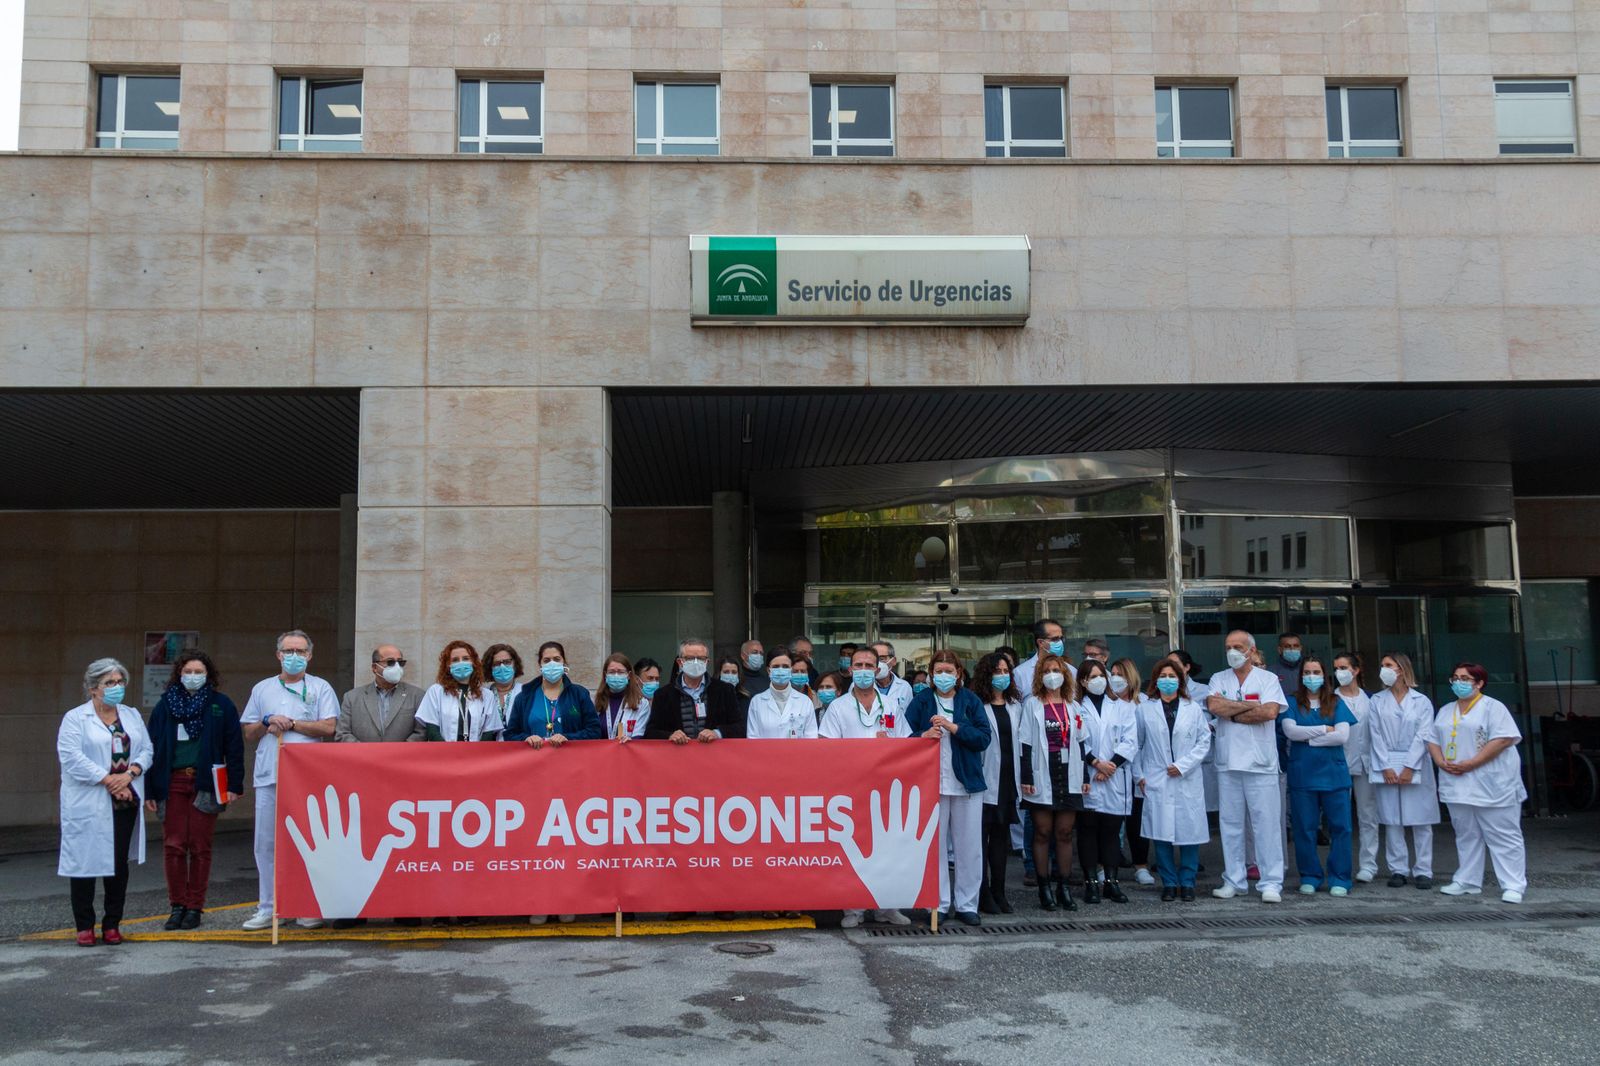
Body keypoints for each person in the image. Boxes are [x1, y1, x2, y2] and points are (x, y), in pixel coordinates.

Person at [240, 630, 338, 931]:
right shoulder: (263, 689)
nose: (294, 656)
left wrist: (294, 724)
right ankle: (269, 907)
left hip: (307, 777)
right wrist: (268, 721)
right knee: (267, 843)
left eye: (300, 651)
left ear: (309, 655)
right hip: (270, 774)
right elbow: (249, 731)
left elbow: (329, 727)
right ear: (278, 654)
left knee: (307, 842)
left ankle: (305, 905)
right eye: (288, 651)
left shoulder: (320, 688)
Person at [144, 649, 243, 930]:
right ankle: (177, 905)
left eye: (199, 672)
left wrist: (234, 785)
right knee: (174, 845)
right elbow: (150, 747)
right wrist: (150, 790)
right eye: (188, 672)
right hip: (171, 781)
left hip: (205, 782)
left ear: (208, 675)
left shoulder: (220, 705)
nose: (193, 676)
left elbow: (233, 746)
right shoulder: (165, 706)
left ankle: (195, 907)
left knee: (200, 846)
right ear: (179, 674)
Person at [58, 658, 152, 947]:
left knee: (117, 864)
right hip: (90, 800)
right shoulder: (75, 718)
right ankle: (84, 926)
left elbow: (147, 749)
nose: (116, 688)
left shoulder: (131, 715)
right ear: (92, 688)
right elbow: (72, 758)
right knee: (84, 864)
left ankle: (112, 924)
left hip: (125, 800)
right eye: (109, 683)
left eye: (119, 682)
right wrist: (111, 781)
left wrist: (131, 775)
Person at [818, 646, 912, 928]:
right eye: (857, 665)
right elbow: (827, 749)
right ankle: (854, 909)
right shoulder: (838, 707)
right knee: (853, 848)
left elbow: (905, 744)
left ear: (878, 669)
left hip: (885, 788)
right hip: (851, 788)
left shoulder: (891, 705)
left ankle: (887, 907)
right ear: (850, 670)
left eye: (868, 665)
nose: (862, 670)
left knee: (888, 848)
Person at [906, 651, 992, 927]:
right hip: (931, 784)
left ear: (959, 673)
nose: (943, 676)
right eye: (938, 671)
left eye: (948, 671)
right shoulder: (920, 701)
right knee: (935, 847)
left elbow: (983, 738)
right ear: (931, 674)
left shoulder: (970, 701)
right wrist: (922, 736)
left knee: (969, 848)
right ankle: (939, 903)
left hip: (966, 784)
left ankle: (967, 904)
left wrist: (955, 727)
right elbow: (903, 738)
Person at [1430, 663, 1528, 903]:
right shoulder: (1446, 710)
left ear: (1479, 682)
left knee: (1503, 834)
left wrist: (1472, 763)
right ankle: (1467, 880)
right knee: (1466, 833)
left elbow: (1503, 739)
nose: (1459, 682)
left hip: (1491, 782)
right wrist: (1440, 761)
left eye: (1465, 678)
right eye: (1455, 678)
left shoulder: (1493, 707)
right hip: (1456, 781)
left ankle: (1513, 884)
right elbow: (1431, 738)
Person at [1206, 630, 1287, 903]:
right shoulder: (1219, 678)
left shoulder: (1268, 679)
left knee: (1266, 824)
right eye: (1228, 646)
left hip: (1260, 764)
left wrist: (1234, 712)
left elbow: (1270, 712)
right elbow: (1214, 706)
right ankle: (1234, 880)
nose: (1232, 651)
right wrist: (1248, 708)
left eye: (1238, 646)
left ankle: (1271, 882)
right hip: (1228, 763)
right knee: (1230, 825)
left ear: (1251, 650)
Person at [1279, 655, 1357, 896]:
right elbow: (1291, 732)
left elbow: (1342, 736)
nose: (1311, 677)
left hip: (1334, 774)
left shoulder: (1336, 701)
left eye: (1316, 672)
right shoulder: (1292, 701)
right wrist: (1325, 729)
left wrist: (1309, 739)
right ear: (1301, 676)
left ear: (1324, 676)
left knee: (1341, 828)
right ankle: (1310, 875)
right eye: (1307, 672)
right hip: (1303, 775)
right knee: (1305, 828)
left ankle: (1340, 878)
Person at [1134, 660, 1211, 902]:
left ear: (1180, 679)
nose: (1167, 679)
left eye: (1172, 675)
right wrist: (1140, 775)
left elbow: (1204, 742)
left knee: (1190, 834)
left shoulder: (1193, 708)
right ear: (1155, 680)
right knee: (1161, 833)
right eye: (1162, 675)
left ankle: (1187, 882)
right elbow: (1136, 744)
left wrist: (1182, 766)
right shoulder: (1145, 709)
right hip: (1157, 778)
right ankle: (1168, 882)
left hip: (1186, 778)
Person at [1019, 654, 1085, 912]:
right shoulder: (1032, 704)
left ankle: (1064, 887)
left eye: (1056, 670)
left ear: (1065, 674)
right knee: (1043, 832)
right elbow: (1024, 742)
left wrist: (1086, 778)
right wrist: (1026, 777)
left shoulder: (1073, 705)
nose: (1052, 674)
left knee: (1065, 833)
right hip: (1041, 774)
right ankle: (1044, 887)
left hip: (1070, 774)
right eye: (1047, 670)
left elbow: (1081, 741)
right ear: (1039, 676)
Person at [1368, 652, 1439, 890]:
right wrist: (1385, 765)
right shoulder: (1377, 700)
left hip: (1416, 762)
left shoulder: (1422, 701)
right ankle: (1398, 869)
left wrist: (1410, 766)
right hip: (1386, 761)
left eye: (1388, 665)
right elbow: (1374, 734)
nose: (1383, 669)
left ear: (1401, 669)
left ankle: (1424, 870)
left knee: (1421, 819)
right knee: (1392, 818)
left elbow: (1424, 734)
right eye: (1382, 665)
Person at [1080, 659, 1137, 903]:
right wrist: (1096, 764)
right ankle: (1092, 883)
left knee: (1111, 833)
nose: (1099, 680)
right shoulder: (1076, 708)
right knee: (1088, 832)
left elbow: (1130, 740)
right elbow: (1077, 740)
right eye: (1092, 677)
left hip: (1114, 775)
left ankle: (1111, 883)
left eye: (1101, 675)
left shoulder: (1122, 707)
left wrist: (1110, 765)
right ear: (1083, 681)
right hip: (1088, 776)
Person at [972, 653, 1021, 915]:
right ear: (985, 674)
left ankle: (1000, 891)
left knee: (1000, 841)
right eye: (996, 671)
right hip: (984, 780)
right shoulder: (976, 704)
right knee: (980, 840)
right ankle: (983, 893)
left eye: (1005, 671)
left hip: (1007, 780)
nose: (1001, 676)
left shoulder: (1015, 704)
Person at [1333, 651, 1379, 883]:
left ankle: (1368, 865)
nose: (1339, 672)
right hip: (1339, 763)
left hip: (1366, 762)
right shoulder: (1330, 698)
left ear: (1356, 670)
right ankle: (1341, 865)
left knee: (1368, 815)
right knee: (1340, 818)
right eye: (1336, 668)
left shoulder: (1371, 699)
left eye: (1344, 667)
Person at [644, 638, 743, 743]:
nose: (695, 662)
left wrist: (717, 733)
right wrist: (670, 735)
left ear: (707, 662)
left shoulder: (725, 691)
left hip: (714, 755)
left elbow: (740, 728)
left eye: (701, 658)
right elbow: (651, 732)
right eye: (690, 658)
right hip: (678, 755)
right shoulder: (663, 695)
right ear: (680, 662)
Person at [506, 641, 603, 747]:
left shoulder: (579, 694)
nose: (552, 664)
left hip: (571, 759)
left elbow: (594, 731)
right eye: (546, 660)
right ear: (540, 665)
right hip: (534, 760)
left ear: (564, 663)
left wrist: (568, 738)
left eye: (557, 659)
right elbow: (510, 734)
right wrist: (526, 738)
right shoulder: (524, 697)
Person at [337, 644, 426, 743]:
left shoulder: (417, 695)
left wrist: (399, 752)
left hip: (402, 757)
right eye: (390, 662)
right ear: (375, 667)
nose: (397, 667)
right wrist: (367, 753)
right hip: (363, 757)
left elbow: (421, 732)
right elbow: (342, 733)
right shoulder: (352, 698)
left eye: (400, 662)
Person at [417, 642, 501, 742]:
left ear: (473, 662)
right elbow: (432, 730)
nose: (461, 663)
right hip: (445, 754)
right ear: (448, 665)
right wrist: (449, 753)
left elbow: (488, 732)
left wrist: (478, 754)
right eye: (455, 660)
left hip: (477, 755)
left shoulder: (487, 695)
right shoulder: (435, 691)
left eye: (466, 658)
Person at [745, 650, 818, 738]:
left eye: (785, 666)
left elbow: (811, 738)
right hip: (765, 751)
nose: (781, 670)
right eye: (776, 666)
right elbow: (753, 738)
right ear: (768, 670)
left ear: (791, 669)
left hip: (797, 752)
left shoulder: (805, 702)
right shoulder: (757, 702)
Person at [1013, 618, 1071, 698]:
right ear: (1040, 642)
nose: (1060, 642)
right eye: (1055, 639)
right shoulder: (1020, 673)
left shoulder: (1071, 671)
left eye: (1061, 638)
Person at [600, 652, 650, 741]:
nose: (616, 675)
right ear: (605, 675)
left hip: (627, 753)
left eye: (620, 672)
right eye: (611, 672)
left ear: (629, 675)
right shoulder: (596, 702)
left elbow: (639, 735)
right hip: (601, 753)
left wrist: (631, 740)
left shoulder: (641, 703)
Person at [482, 643, 526, 741]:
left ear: (515, 664)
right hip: (488, 751)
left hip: (520, 751)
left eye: (507, 662)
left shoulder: (527, 693)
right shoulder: (483, 695)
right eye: (496, 664)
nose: (502, 667)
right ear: (490, 668)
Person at [870, 640, 914, 720]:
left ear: (893, 661)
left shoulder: (905, 687)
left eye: (882, 658)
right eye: (873, 658)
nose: (877, 663)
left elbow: (909, 718)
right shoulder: (860, 685)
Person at [1269, 632, 1304, 696]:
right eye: (1287, 646)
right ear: (1279, 650)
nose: (1292, 649)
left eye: (1296, 646)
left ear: (1300, 648)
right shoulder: (1271, 672)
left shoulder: (1307, 669)